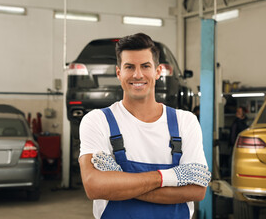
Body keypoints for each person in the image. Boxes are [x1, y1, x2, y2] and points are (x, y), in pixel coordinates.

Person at [78, 33, 211, 219]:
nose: (137, 74)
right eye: (129, 67)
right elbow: (94, 186)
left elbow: (197, 191)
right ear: (119, 73)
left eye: (145, 66)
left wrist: (119, 180)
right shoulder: (97, 121)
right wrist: (170, 178)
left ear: (158, 71)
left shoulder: (185, 122)